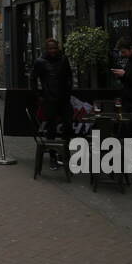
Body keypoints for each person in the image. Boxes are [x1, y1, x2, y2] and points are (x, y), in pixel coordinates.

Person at [31, 38, 74, 169]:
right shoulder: (40, 62)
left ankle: (65, 154)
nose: (53, 51)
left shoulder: (63, 59)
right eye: (50, 48)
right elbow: (33, 78)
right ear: (46, 49)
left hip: (64, 99)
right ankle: (53, 157)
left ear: (58, 47)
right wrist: (38, 96)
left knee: (68, 126)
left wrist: (68, 90)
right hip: (49, 100)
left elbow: (69, 76)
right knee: (51, 129)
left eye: (55, 48)